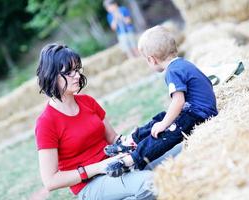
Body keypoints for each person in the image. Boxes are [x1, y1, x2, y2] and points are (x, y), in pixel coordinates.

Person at [34, 43, 156, 200]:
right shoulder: (46, 123)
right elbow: (50, 181)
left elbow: (113, 138)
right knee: (151, 182)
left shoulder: (87, 101)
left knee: (174, 155)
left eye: (77, 69)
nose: (77, 75)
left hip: (119, 165)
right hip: (90, 185)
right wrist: (99, 167)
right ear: (51, 76)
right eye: (69, 72)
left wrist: (133, 139)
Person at [104, 26, 218, 172]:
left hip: (200, 115)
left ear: (152, 59)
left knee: (166, 132)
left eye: (146, 60)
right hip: (195, 110)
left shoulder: (172, 71)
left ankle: (133, 159)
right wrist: (163, 121)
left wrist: (164, 124)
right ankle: (133, 140)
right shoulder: (182, 63)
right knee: (161, 117)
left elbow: (178, 101)